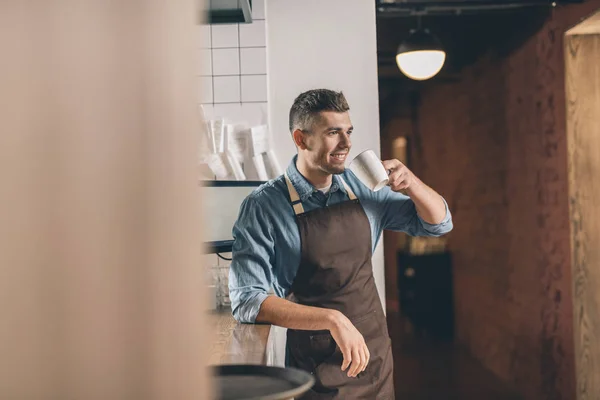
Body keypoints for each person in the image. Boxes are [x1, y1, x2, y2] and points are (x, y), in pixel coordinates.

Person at [229, 89, 453, 399]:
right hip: (316, 368)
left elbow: (438, 223)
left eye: (348, 132)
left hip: (373, 357)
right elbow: (246, 300)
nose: (346, 144)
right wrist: (333, 319)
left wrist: (412, 184)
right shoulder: (264, 207)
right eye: (334, 133)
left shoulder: (363, 187)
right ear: (301, 138)